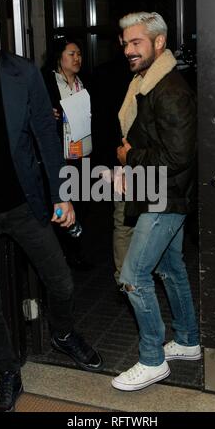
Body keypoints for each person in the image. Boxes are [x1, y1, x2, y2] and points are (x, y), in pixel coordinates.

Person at [0, 0, 103, 413]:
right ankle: (7, 371)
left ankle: (62, 333)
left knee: (60, 281)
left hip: (24, 203)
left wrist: (63, 194)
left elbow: (46, 137)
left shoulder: (23, 75)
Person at [111, 12, 200, 391]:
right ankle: (188, 339)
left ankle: (152, 360)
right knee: (170, 268)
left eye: (136, 43)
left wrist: (130, 157)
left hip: (166, 196)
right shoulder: (147, 82)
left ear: (159, 43)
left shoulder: (170, 90)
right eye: (125, 42)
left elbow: (179, 155)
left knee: (133, 277)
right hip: (157, 191)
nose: (128, 49)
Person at [42, 39, 93, 270]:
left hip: (82, 154)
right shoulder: (48, 82)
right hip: (60, 157)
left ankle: (77, 251)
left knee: (81, 204)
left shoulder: (84, 83)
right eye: (72, 54)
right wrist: (45, 114)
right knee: (62, 205)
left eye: (79, 54)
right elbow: (34, 112)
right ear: (59, 57)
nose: (77, 58)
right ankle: (61, 254)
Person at [90, 50, 133, 286]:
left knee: (130, 222)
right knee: (124, 220)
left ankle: (128, 279)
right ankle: (126, 280)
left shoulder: (152, 74)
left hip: (137, 158)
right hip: (120, 157)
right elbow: (102, 121)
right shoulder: (105, 73)